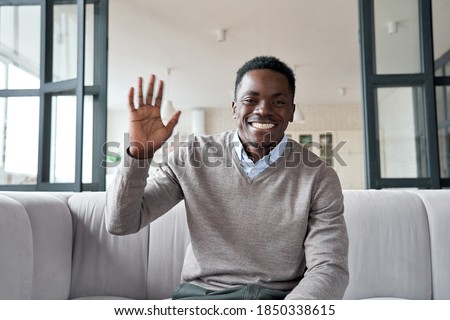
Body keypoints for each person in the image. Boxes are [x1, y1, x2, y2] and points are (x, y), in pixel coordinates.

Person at [106, 56, 349, 300]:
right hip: (202, 298)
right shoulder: (191, 156)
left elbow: (329, 267)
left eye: (278, 101)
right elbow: (121, 223)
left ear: (291, 111)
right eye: (250, 100)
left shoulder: (319, 176)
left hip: (280, 302)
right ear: (235, 108)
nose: (263, 109)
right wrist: (139, 155)